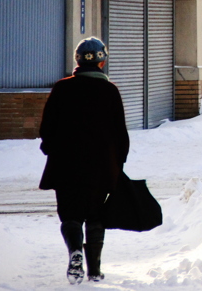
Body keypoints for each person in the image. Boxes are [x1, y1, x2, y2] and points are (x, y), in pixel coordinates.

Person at [39, 37, 129, 284]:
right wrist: (118, 162)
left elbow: (47, 129)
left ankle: (75, 252)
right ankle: (95, 270)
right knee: (96, 215)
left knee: (70, 214)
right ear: (102, 62)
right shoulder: (110, 91)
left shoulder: (61, 88)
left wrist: (51, 149)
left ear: (77, 61)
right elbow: (120, 132)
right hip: (101, 167)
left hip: (65, 164)